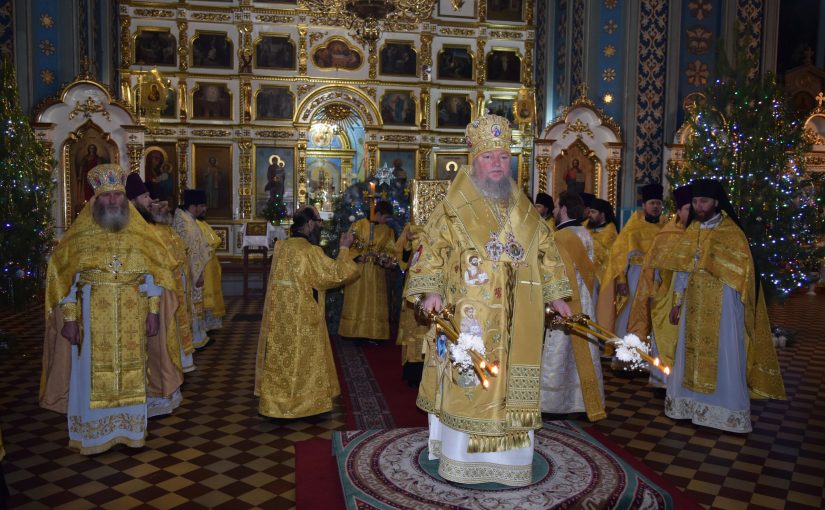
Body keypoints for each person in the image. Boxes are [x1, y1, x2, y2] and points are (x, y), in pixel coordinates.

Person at [407, 114, 572, 486]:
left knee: (512, 384)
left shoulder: (524, 208)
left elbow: (546, 252)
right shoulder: (453, 206)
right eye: (489, 157)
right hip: (471, 316)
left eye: (503, 156)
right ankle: (462, 459)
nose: (497, 164)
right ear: (474, 161)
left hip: (521, 321)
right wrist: (431, 290)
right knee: (471, 382)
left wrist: (557, 295)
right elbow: (430, 250)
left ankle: (511, 462)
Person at [39, 164, 177, 454]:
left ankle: (130, 432)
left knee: (134, 371)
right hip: (91, 316)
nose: (113, 201)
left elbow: (154, 275)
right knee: (88, 374)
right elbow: (64, 280)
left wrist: (153, 312)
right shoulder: (78, 236)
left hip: (133, 313)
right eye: (107, 196)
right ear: (95, 200)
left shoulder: (140, 234)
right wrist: (69, 319)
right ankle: (93, 437)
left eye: (117, 195)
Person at [660, 179, 785, 432]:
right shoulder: (693, 229)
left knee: (725, 352)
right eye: (695, 202)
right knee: (688, 352)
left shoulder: (731, 233)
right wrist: (677, 302)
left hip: (724, 306)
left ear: (716, 202)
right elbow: (682, 271)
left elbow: (744, 274)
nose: (699, 206)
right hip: (693, 303)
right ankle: (688, 406)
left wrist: (714, 265)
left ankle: (725, 412)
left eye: (703, 201)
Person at [254, 207, 358, 418]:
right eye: (318, 221)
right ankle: (303, 405)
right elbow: (335, 274)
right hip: (302, 315)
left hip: (280, 315)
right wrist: (345, 248)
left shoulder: (281, 247)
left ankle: (275, 405)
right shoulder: (309, 251)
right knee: (302, 359)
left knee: (281, 359)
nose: (319, 225)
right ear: (309, 223)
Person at [125, 173, 186, 415]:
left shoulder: (143, 224)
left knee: (157, 348)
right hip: (137, 297)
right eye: (144, 196)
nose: (150, 200)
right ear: (132, 200)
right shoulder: (132, 225)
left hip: (153, 294)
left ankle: (158, 394)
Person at [541, 191, 605, 421]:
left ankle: (555, 403)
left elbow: (557, 273)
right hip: (585, 299)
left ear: (565, 208)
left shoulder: (562, 237)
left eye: (557, 206)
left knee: (559, 352)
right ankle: (581, 401)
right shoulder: (585, 233)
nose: (555, 211)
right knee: (583, 350)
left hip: (567, 299)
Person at [627, 185, 692, 391]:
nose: (692, 212)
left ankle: (683, 380)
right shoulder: (667, 234)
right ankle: (662, 379)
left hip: (691, 293)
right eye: (688, 208)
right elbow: (652, 268)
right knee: (665, 335)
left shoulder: (699, 232)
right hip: (666, 292)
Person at [596, 183, 663, 343]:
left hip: (657, 278)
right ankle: (627, 354)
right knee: (629, 311)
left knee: (654, 311)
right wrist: (621, 279)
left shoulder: (666, 228)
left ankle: (648, 357)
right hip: (635, 276)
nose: (655, 206)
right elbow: (619, 256)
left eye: (658, 203)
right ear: (644, 205)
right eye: (652, 203)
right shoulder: (632, 228)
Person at [339, 201, 397, 342]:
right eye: (385, 217)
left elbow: (391, 251)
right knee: (357, 300)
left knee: (374, 302)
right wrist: (358, 256)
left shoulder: (387, 231)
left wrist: (383, 259)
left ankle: (374, 333)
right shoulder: (358, 225)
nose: (386, 221)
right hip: (358, 271)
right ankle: (354, 332)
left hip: (377, 273)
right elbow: (347, 245)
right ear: (377, 214)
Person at [173, 189, 213, 349]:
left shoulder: (187, 220)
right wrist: (198, 275)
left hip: (192, 272)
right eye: (202, 206)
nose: (205, 209)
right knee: (191, 305)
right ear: (194, 206)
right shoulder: (185, 225)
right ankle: (195, 339)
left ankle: (199, 335)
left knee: (196, 305)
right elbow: (192, 253)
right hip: (189, 274)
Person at [588, 198, 618, 288]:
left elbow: (610, 256)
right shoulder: (586, 227)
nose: (589, 215)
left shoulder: (611, 233)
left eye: (593, 212)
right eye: (589, 212)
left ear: (602, 214)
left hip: (602, 276)